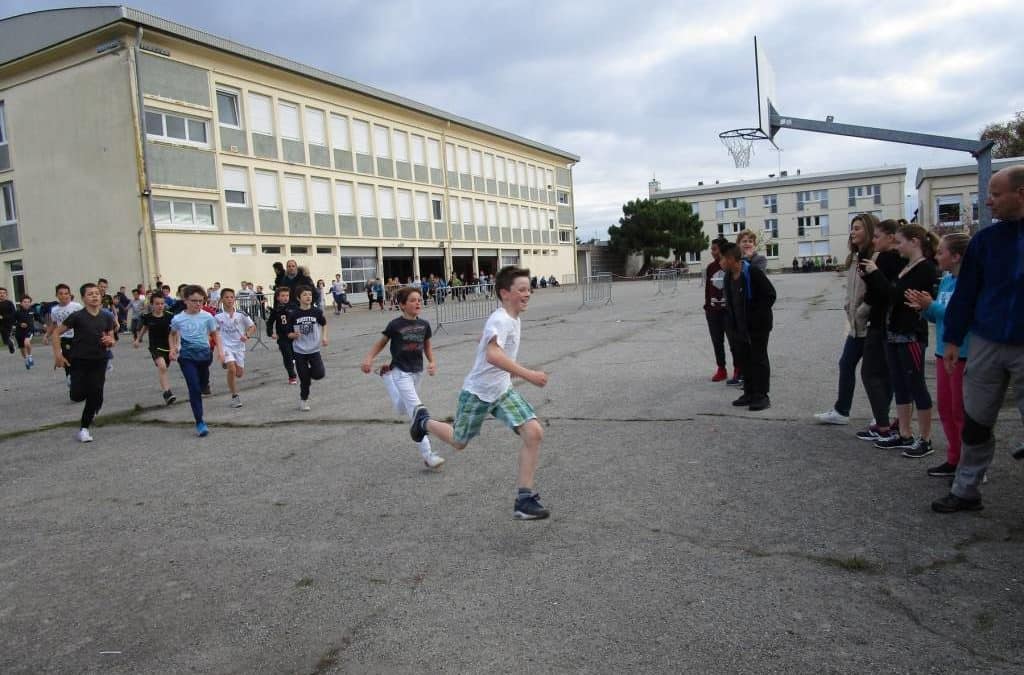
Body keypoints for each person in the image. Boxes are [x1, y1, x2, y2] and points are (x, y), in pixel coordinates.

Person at [409, 266, 551, 520]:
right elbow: (493, 354)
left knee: (534, 432)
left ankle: (524, 499)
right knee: (459, 441)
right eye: (522, 290)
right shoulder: (502, 319)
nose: (527, 294)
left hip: (501, 390)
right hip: (477, 393)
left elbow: (493, 345)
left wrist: (484, 338)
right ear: (505, 293)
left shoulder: (510, 318)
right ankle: (423, 421)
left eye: (529, 289)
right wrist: (528, 374)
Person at [932, 166, 1024, 513]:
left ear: (1021, 193)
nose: (988, 202)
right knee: (975, 420)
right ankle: (966, 490)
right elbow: (967, 293)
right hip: (987, 342)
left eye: (996, 194)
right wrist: (953, 338)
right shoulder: (986, 241)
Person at [861, 223, 940, 457]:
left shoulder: (925, 269)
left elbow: (896, 295)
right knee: (900, 385)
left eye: (900, 242)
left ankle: (925, 438)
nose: (897, 246)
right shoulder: (907, 267)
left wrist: (876, 273)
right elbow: (888, 294)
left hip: (910, 334)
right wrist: (873, 279)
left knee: (916, 384)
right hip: (893, 332)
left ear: (914, 242)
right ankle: (904, 433)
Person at [905, 233, 971, 477]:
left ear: (956, 257)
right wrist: (924, 309)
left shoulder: (969, 283)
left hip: (964, 355)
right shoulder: (945, 282)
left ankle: (970, 463)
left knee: (962, 411)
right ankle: (954, 459)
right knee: (946, 409)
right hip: (943, 353)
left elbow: (961, 313)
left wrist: (931, 306)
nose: (936, 255)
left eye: (941, 252)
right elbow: (938, 316)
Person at [361, 286, 445, 468]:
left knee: (402, 408)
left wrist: (432, 362)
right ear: (402, 305)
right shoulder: (395, 325)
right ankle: (428, 455)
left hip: (417, 371)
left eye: (419, 299)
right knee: (417, 411)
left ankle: (386, 378)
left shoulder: (424, 324)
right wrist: (368, 358)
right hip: (400, 370)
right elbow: (381, 343)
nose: (418, 302)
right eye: (413, 300)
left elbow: (427, 346)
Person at [815, 214, 879, 424]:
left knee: (873, 373)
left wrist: (863, 309)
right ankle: (841, 411)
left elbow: (877, 290)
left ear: (869, 231)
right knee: (846, 364)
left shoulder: (876, 258)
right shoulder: (854, 257)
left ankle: (882, 417)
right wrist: (848, 306)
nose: (853, 232)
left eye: (858, 228)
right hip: (855, 326)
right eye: (852, 227)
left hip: (870, 325)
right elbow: (852, 289)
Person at [855, 219, 903, 442]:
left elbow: (884, 293)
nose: (874, 241)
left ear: (891, 237)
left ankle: (883, 424)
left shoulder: (887, 259)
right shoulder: (897, 259)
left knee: (871, 373)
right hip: (884, 323)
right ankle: (887, 421)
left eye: (877, 237)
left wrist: (871, 276)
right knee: (884, 373)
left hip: (882, 324)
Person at [51, 283, 116, 442]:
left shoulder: (107, 316)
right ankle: (93, 398)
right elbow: (56, 333)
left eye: (96, 293)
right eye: (90, 294)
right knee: (77, 395)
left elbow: (111, 337)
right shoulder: (77, 316)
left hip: (100, 359)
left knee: (95, 391)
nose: (94, 296)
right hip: (79, 360)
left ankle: (84, 429)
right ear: (83, 298)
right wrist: (58, 355)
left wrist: (110, 341)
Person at [719, 242, 776, 411]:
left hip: (757, 327)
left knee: (758, 359)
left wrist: (756, 318)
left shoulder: (752, 272)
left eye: (722, 258)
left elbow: (770, 295)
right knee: (745, 361)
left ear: (730, 258)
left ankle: (762, 396)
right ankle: (749, 392)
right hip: (739, 327)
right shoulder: (728, 277)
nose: (720, 262)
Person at [170, 285, 221, 437]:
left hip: (205, 355)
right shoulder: (178, 319)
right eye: (194, 301)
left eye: (200, 301)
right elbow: (172, 334)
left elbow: (215, 335)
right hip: (186, 357)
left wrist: (221, 352)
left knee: (202, 381)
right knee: (194, 388)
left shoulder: (207, 317)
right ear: (185, 300)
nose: (198, 304)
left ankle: (205, 383)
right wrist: (172, 349)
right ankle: (200, 422)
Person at [287, 285, 328, 411]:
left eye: (309, 294)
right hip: (299, 351)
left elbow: (324, 323)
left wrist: (324, 337)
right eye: (305, 294)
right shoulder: (294, 314)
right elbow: (288, 333)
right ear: (299, 298)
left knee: (319, 374)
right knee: (305, 381)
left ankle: (305, 375)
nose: (308, 297)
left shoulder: (316, 312)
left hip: (314, 349)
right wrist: (293, 335)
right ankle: (304, 400)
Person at [216, 288, 256, 408]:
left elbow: (252, 326)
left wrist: (247, 335)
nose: (229, 299)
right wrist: (219, 350)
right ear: (222, 300)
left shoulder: (241, 314)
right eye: (226, 297)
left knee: (239, 374)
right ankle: (235, 396)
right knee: (232, 370)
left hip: (238, 347)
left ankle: (228, 363)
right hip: (225, 346)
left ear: (235, 299)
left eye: (231, 297)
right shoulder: (218, 316)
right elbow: (214, 333)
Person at [134, 292, 176, 405]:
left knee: (164, 368)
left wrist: (174, 348)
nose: (160, 306)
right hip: (155, 346)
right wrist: (138, 339)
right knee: (162, 367)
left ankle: (166, 390)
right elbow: (145, 328)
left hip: (167, 346)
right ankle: (167, 393)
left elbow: (174, 333)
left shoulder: (169, 316)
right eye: (157, 304)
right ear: (152, 304)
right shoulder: (148, 317)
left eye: (162, 303)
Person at [704, 237, 733, 382]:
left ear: (722, 250)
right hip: (713, 311)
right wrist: (707, 307)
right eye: (711, 249)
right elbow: (708, 290)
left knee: (733, 341)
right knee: (717, 341)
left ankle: (739, 368)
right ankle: (721, 369)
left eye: (714, 249)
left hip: (728, 311)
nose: (712, 252)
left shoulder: (730, 265)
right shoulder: (710, 267)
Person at [47, 283, 83, 387]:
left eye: (66, 293)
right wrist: (47, 335)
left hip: (77, 337)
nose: (64, 296)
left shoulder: (76, 306)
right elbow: (54, 324)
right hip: (64, 338)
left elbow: (84, 320)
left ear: (70, 295)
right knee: (67, 358)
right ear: (57, 295)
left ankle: (79, 376)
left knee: (79, 358)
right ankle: (69, 376)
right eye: (61, 294)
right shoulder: (54, 310)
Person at [266, 287, 298, 385]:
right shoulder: (276, 310)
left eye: (287, 295)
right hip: (283, 337)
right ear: (278, 297)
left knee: (296, 355)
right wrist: (271, 333)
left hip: (294, 336)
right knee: (287, 356)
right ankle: (292, 376)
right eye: (283, 296)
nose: (285, 298)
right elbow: (270, 323)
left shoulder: (294, 307)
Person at [14, 294, 35, 369]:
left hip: (29, 330)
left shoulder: (32, 311)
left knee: (27, 342)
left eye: (28, 302)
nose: (27, 303)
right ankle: (26, 359)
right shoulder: (17, 312)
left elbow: (38, 317)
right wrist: (20, 324)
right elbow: (13, 321)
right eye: (25, 302)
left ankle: (30, 356)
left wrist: (44, 323)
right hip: (19, 333)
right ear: (21, 303)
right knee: (22, 349)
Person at [0, 286, 16, 353]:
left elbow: (13, 314)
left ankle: (10, 344)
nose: (2, 294)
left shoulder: (9, 303)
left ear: (6, 295)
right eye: (0, 293)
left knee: (6, 341)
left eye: (4, 293)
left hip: (6, 324)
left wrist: (3, 317)